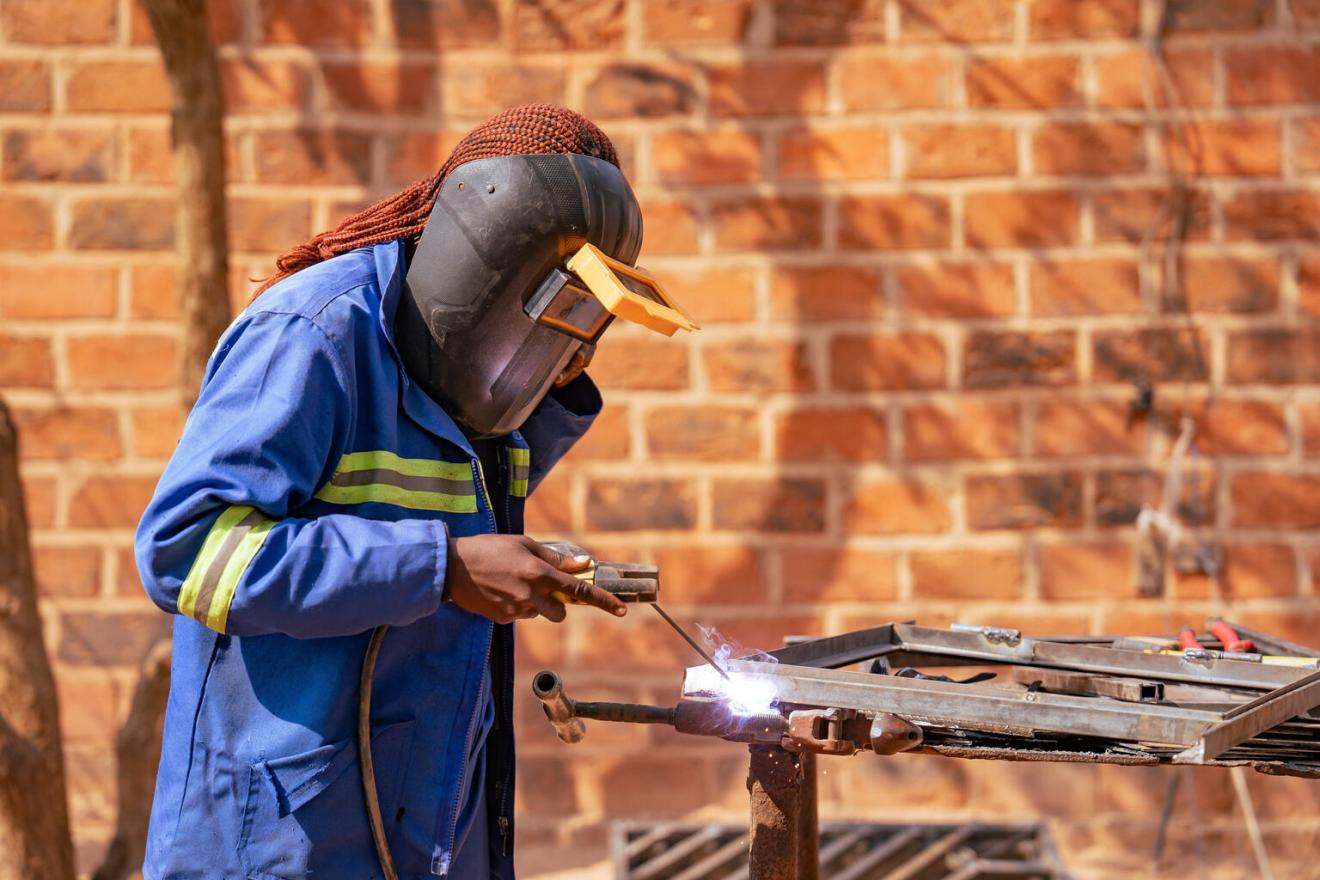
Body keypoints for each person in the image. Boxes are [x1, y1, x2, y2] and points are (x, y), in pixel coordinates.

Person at [135, 104, 696, 880]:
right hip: (280, 841)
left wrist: (504, 559)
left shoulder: (461, 383)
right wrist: (447, 568)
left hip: (423, 826)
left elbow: (444, 530)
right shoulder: (313, 335)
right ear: (486, 266)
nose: (570, 343)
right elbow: (186, 550)